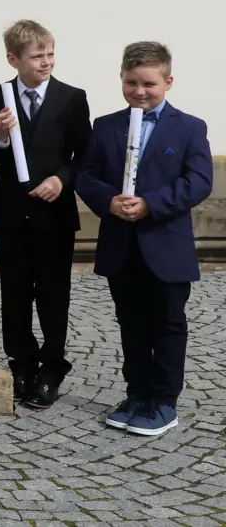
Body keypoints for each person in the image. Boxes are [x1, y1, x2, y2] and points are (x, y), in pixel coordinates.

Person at [77, 41, 211, 438]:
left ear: (168, 82)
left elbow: (198, 181)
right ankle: (137, 393)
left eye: (148, 84)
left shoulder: (189, 127)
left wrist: (152, 204)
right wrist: (109, 200)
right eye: (131, 82)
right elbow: (86, 176)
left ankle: (164, 400)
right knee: (131, 322)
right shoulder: (105, 126)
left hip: (166, 244)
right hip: (122, 245)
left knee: (167, 322)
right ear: (121, 79)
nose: (139, 91)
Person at [0, 19, 91, 409]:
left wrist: (61, 180)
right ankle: (22, 364)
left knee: (52, 294)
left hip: (54, 214)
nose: (46, 62)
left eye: (50, 54)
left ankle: (51, 369)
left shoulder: (71, 98)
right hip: (12, 213)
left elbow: (84, 154)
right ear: (13, 59)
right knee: (14, 293)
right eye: (36, 56)